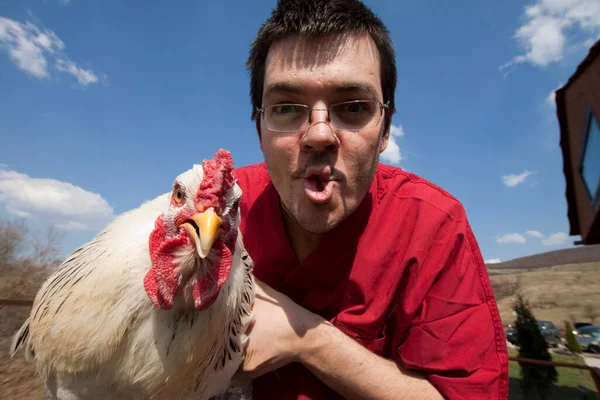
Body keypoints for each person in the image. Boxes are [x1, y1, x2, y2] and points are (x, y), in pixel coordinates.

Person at [233, 0, 509, 399]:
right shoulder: (220, 213)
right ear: (260, 129)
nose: (319, 135)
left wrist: (308, 340)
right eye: (288, 108)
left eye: (354, 107)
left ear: (385, 131)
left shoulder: (432, 225)